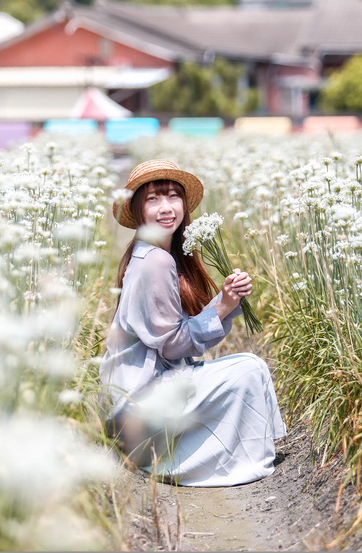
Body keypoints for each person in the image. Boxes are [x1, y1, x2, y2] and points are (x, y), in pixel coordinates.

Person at [99, 159, 286, 487]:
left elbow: (174, 338)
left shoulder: (151, 255)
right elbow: (173, 345)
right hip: (138, 415)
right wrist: (224, 306)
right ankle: (226, 459)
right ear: (139, 209)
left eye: (173, 196)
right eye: (153, 199)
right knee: (249, 369)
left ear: (184, 205)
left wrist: (224, 301)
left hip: (132, 411)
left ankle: (238, 451)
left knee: (248, 366)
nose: (166, 207)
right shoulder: (154, 260)